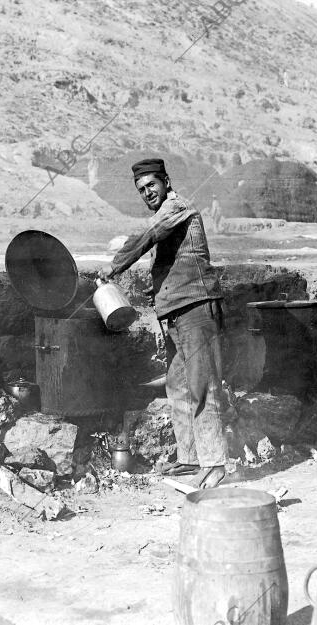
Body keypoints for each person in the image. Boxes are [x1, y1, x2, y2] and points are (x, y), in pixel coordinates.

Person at [100, 158, 228, 489]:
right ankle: (189, 458)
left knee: (203, 384)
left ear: (166, 181)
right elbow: (176, 263)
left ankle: (214, 464)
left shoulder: (177, 207)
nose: (147, 192)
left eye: (152, 185)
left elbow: (149, 234)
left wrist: (114, 267)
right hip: (176, 313)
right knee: (178, 385)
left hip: (197, 309)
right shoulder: (167, 214)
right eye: (142, 190)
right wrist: (153, 288)